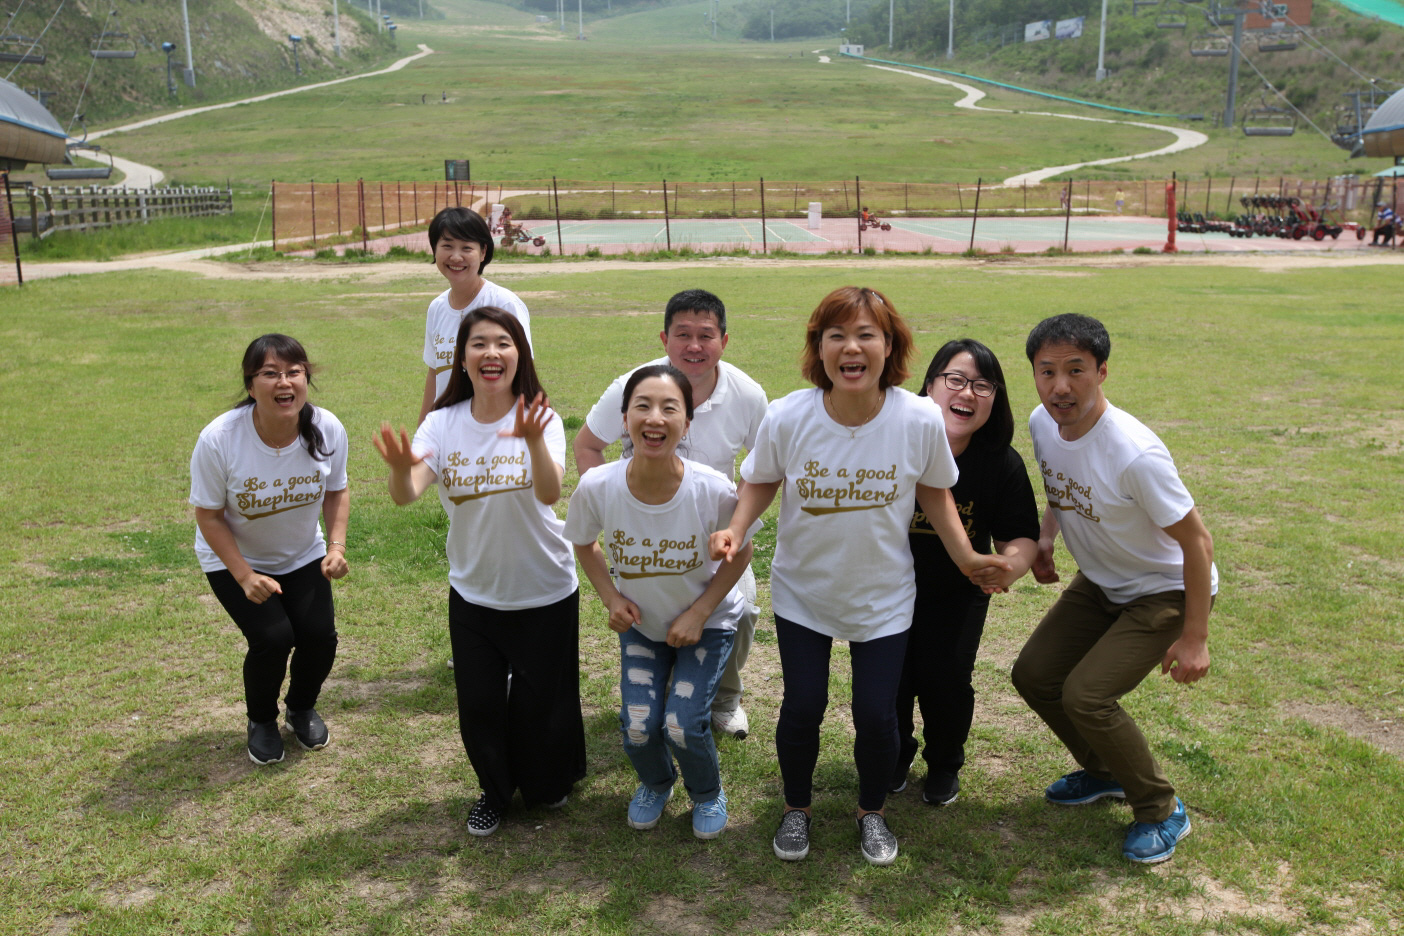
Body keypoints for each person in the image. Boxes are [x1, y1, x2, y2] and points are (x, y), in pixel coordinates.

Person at [709, 287, 1011, 866]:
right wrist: (737, 528)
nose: (852, 347)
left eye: (866, 335)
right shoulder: (788, 415)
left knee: (877, 715)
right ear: (819, 348)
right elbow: (762, 478)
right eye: (837, 336)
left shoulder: (918, 418)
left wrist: (969, 558)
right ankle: (796, 808)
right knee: (803, 706)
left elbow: (935, 491)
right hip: (804, 591)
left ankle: (872, 810)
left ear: (889, 346)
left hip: (884, 595)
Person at [1011, 313, 1217, 865]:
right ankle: (1105, 773)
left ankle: (1161, 809)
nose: (1060, 386)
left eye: (1075, 370)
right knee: (1034, 675)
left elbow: (1197, 543)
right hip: (1102, 581)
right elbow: (1061, 487)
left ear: (1102, 372)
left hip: (1164, 590)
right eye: (1047, 371)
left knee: (1087, 696)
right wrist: (1047, 536)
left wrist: (1195, 637)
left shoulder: (1133, 453)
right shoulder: (1042, 423)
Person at [376, 307, 585, 836]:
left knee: (542, 704)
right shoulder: (443, 422)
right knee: (479, 704)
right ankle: (494, 792)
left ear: (519, 355)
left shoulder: (540, 417)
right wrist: (400, 470)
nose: (491, 353)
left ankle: (547, 780)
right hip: (474, 591)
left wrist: (531, 440)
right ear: (463, 359)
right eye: (479, 344)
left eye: (503, 343)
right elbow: (408, 493)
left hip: (544, 586)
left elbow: (550, 492)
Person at [565, 365, 759, 840]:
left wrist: (700, 612)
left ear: (686, 424)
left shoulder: (710, 488)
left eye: (670, 408)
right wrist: (610, 597)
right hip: (643, 626)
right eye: (643, 406)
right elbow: (583, 542)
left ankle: (707, 793)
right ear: (624, 419)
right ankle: (656, 783)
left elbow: (742, 551)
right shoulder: (598, 486)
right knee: (637, 725)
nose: (655, 417)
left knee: (681, 724)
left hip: (707, 624)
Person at [574, 289, 767, 741]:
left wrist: (734, 525)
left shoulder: (747, 394)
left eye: (706, 335)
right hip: (647, 527)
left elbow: (762, 468)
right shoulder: (634, 386)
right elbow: (587, 445)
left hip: (713, 527)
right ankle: (658, 693)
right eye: (683, 334)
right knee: (647, 613)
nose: (694, 346)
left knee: (741, 610)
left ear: (724, 341)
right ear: (664, 338)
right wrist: (612, 506)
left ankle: (724, 698)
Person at [190, 334, 349, 766]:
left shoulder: (326, 428)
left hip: (301, 553)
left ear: (306, 379)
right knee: (273, 638)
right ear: (250, 384)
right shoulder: (220, 439)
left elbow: (337, 489)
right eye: (270, 373)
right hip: (235, 560)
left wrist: (336, 546)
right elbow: (208, 516)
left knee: (319, 637)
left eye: (294, 372)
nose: (284, 382)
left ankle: (301, 708)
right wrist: (244, 576)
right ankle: (261, 720)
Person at [893, 340, 1040, 806]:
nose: (967, 393)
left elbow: (1020, 536)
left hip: (957, 593)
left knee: (947, 681)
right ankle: (894, 756)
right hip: (885, 587)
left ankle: (943, 764)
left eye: (982, 385)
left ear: (995, 399)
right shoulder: (893, 444)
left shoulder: (1000, 463)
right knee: (890, 679)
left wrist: (1007, 568)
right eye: (955, 379)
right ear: (929, 386)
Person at [419, 206, 532, 426]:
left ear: (483, 252)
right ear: (434, 250)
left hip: (494, 428)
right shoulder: (437, 308)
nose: (456, 256)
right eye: (447, 246)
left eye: (467, 248)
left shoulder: (503, 303)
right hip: (447, 428)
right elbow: (434, 373)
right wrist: (423, 431)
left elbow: (523, 371)